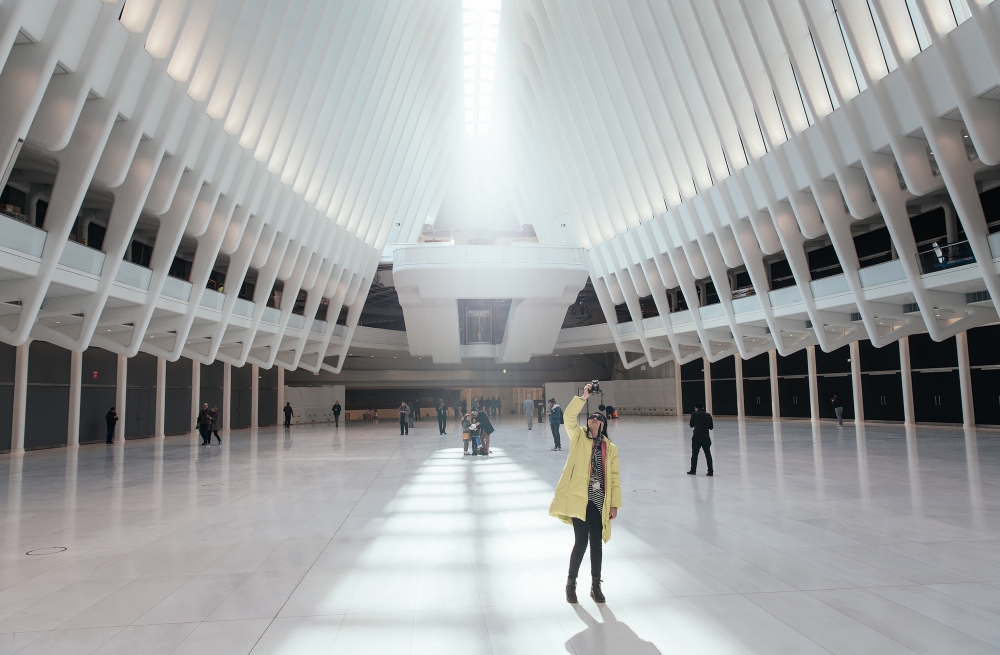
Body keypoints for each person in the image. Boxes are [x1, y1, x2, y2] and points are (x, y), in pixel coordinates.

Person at [549, 383, 621, 605]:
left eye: (599, 418)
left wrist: (614, 505)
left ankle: (596, 586)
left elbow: (615, 477)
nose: (595, 418)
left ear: (603, 424)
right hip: (581, 499)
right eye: (591, 417)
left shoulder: (610, 448)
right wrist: (583, 397)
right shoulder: (578, 437)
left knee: (596, 544)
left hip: (599, 501)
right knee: (581, 543)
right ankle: (571, 584)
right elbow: (569, 418)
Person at [687, 401, 714, 476]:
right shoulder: (708, 415)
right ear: (703, 407)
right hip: (706, 437)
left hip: (696, 437)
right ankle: (710, 471)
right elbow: (711, 427)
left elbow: (691, 425)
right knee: (708, 454)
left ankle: (693, 470)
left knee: (695, 454)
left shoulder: (694, 414)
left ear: (696, 408)